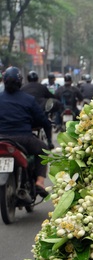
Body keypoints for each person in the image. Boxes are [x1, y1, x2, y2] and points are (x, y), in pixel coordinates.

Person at [0, 67, 52, 198]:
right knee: (43, 150)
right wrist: (50, 141)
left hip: (1, 139)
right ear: (20, 82)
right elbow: (43, 121)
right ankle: (40, 182)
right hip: (24, 139)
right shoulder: (28, 100)